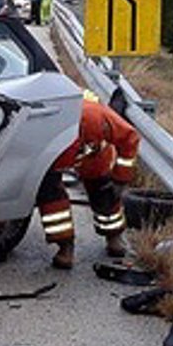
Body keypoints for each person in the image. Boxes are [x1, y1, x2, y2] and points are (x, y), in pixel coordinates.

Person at [37, 93, 140, 270]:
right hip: (51, 159)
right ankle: (65, 247)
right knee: (51, 198)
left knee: (104, 190)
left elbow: (130, 139)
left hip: (92, 154)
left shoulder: (96, 117)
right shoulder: (44, 122)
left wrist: (120, 178)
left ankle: (113, 235)